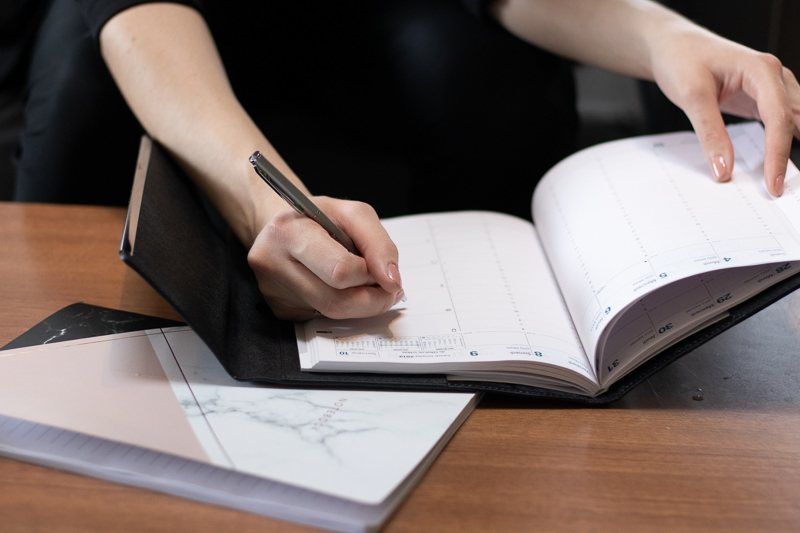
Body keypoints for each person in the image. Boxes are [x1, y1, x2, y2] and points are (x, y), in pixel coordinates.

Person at [16, 0, 800, 321]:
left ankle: (501, 352)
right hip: (160, 29)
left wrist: (667, 35)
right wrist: (266, 202)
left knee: (487, 79)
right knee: (88, 86)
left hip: (356, 26)